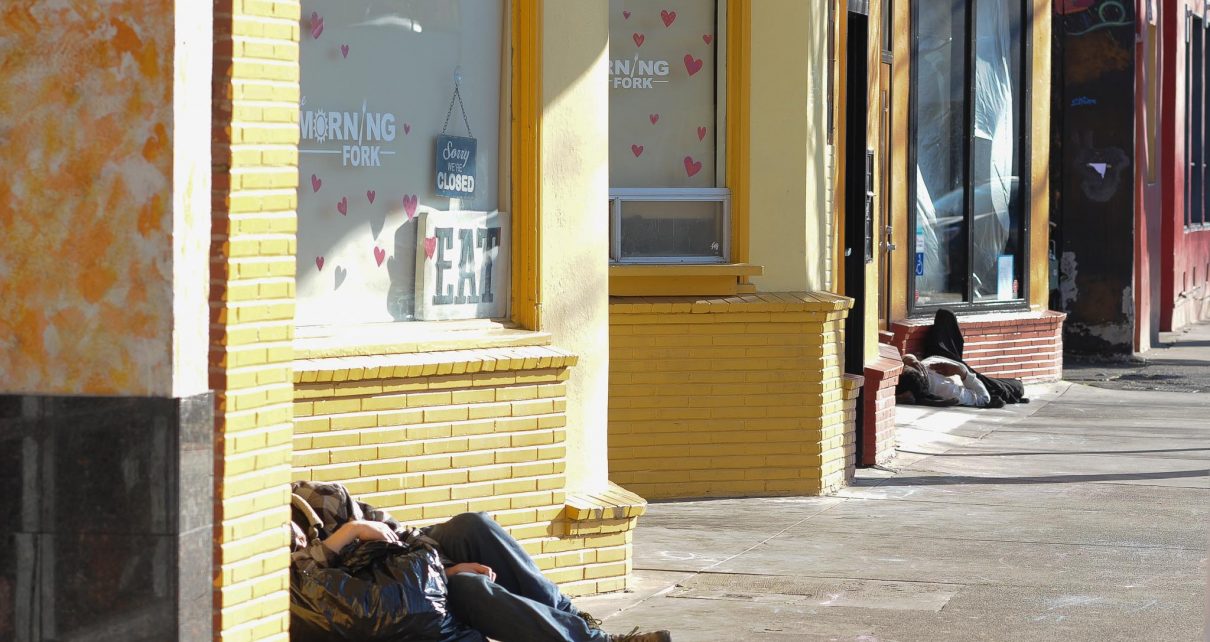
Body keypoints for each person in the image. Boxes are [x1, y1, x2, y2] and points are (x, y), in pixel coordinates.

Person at [289, 480, 670, 642]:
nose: (300, 541)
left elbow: (403, 534)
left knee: (473, 526)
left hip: (408, 574)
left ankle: (579, 621)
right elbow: (319, 593)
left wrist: (439, 561)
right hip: (385, 599)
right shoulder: (255, 546)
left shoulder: (323, 497)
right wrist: (348, 533)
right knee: (470, 587)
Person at [899, 353, 993, 408]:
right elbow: (984, 398)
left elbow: (904, 357)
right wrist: (962, 372)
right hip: (973, 379)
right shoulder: (948, 390)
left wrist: (909, 358)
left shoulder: (915, 365)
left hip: (944, 356)